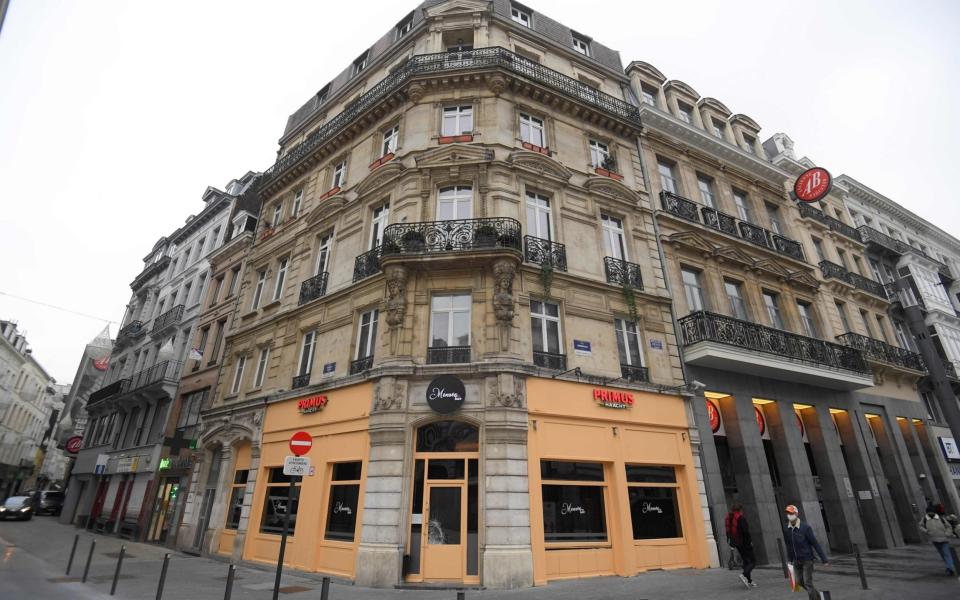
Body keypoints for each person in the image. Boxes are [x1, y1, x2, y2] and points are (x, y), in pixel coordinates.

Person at [783, 504, 828, 600]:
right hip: (796, 560)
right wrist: (789, 559)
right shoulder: (787, 529)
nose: (789, 515)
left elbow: (815, 543)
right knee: (799, 582)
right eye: (788, 513)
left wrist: (824, 559)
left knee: (808, 582)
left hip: (807, 559)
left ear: (796, 514)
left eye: (791, 513)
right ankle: (819, 597)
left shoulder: (805, 527)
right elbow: (789, 545)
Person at [725, 503, 756, 588]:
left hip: (737, 544)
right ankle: (743, 574)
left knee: (746, 562)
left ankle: (749, 581)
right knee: (753, 561)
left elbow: (728, 531)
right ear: (740, 510)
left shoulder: (729, 518)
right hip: (745, 543)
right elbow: (745, 532)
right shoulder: (741, 518)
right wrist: (750, 541)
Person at [919, 506, 956, 575]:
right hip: (934, 539)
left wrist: (947, 533)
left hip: (944, 539)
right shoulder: (925, 519)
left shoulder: (941, 518)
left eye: (931, 512)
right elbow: (920, 526)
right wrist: (926, 531)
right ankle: (949, 566)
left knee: (946, 553)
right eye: (929, 512)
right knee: (942, 553)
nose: (930, 513)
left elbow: (948, 526)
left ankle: (950, 568)